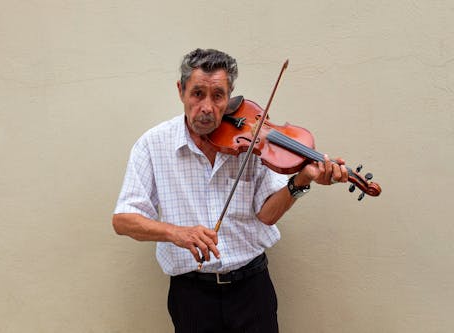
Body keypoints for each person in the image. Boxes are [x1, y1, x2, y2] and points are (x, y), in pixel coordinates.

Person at [112, 48, 348, 333]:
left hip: (252, 289)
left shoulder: (252, 140)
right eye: (198, 94)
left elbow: (267, 215)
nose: (208, 107)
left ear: (229, 95)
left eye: (218, 95)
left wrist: (302, 180)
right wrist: (177, 233)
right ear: (181, 91)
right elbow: (123, 220)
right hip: (192, 296)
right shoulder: (153, 144)